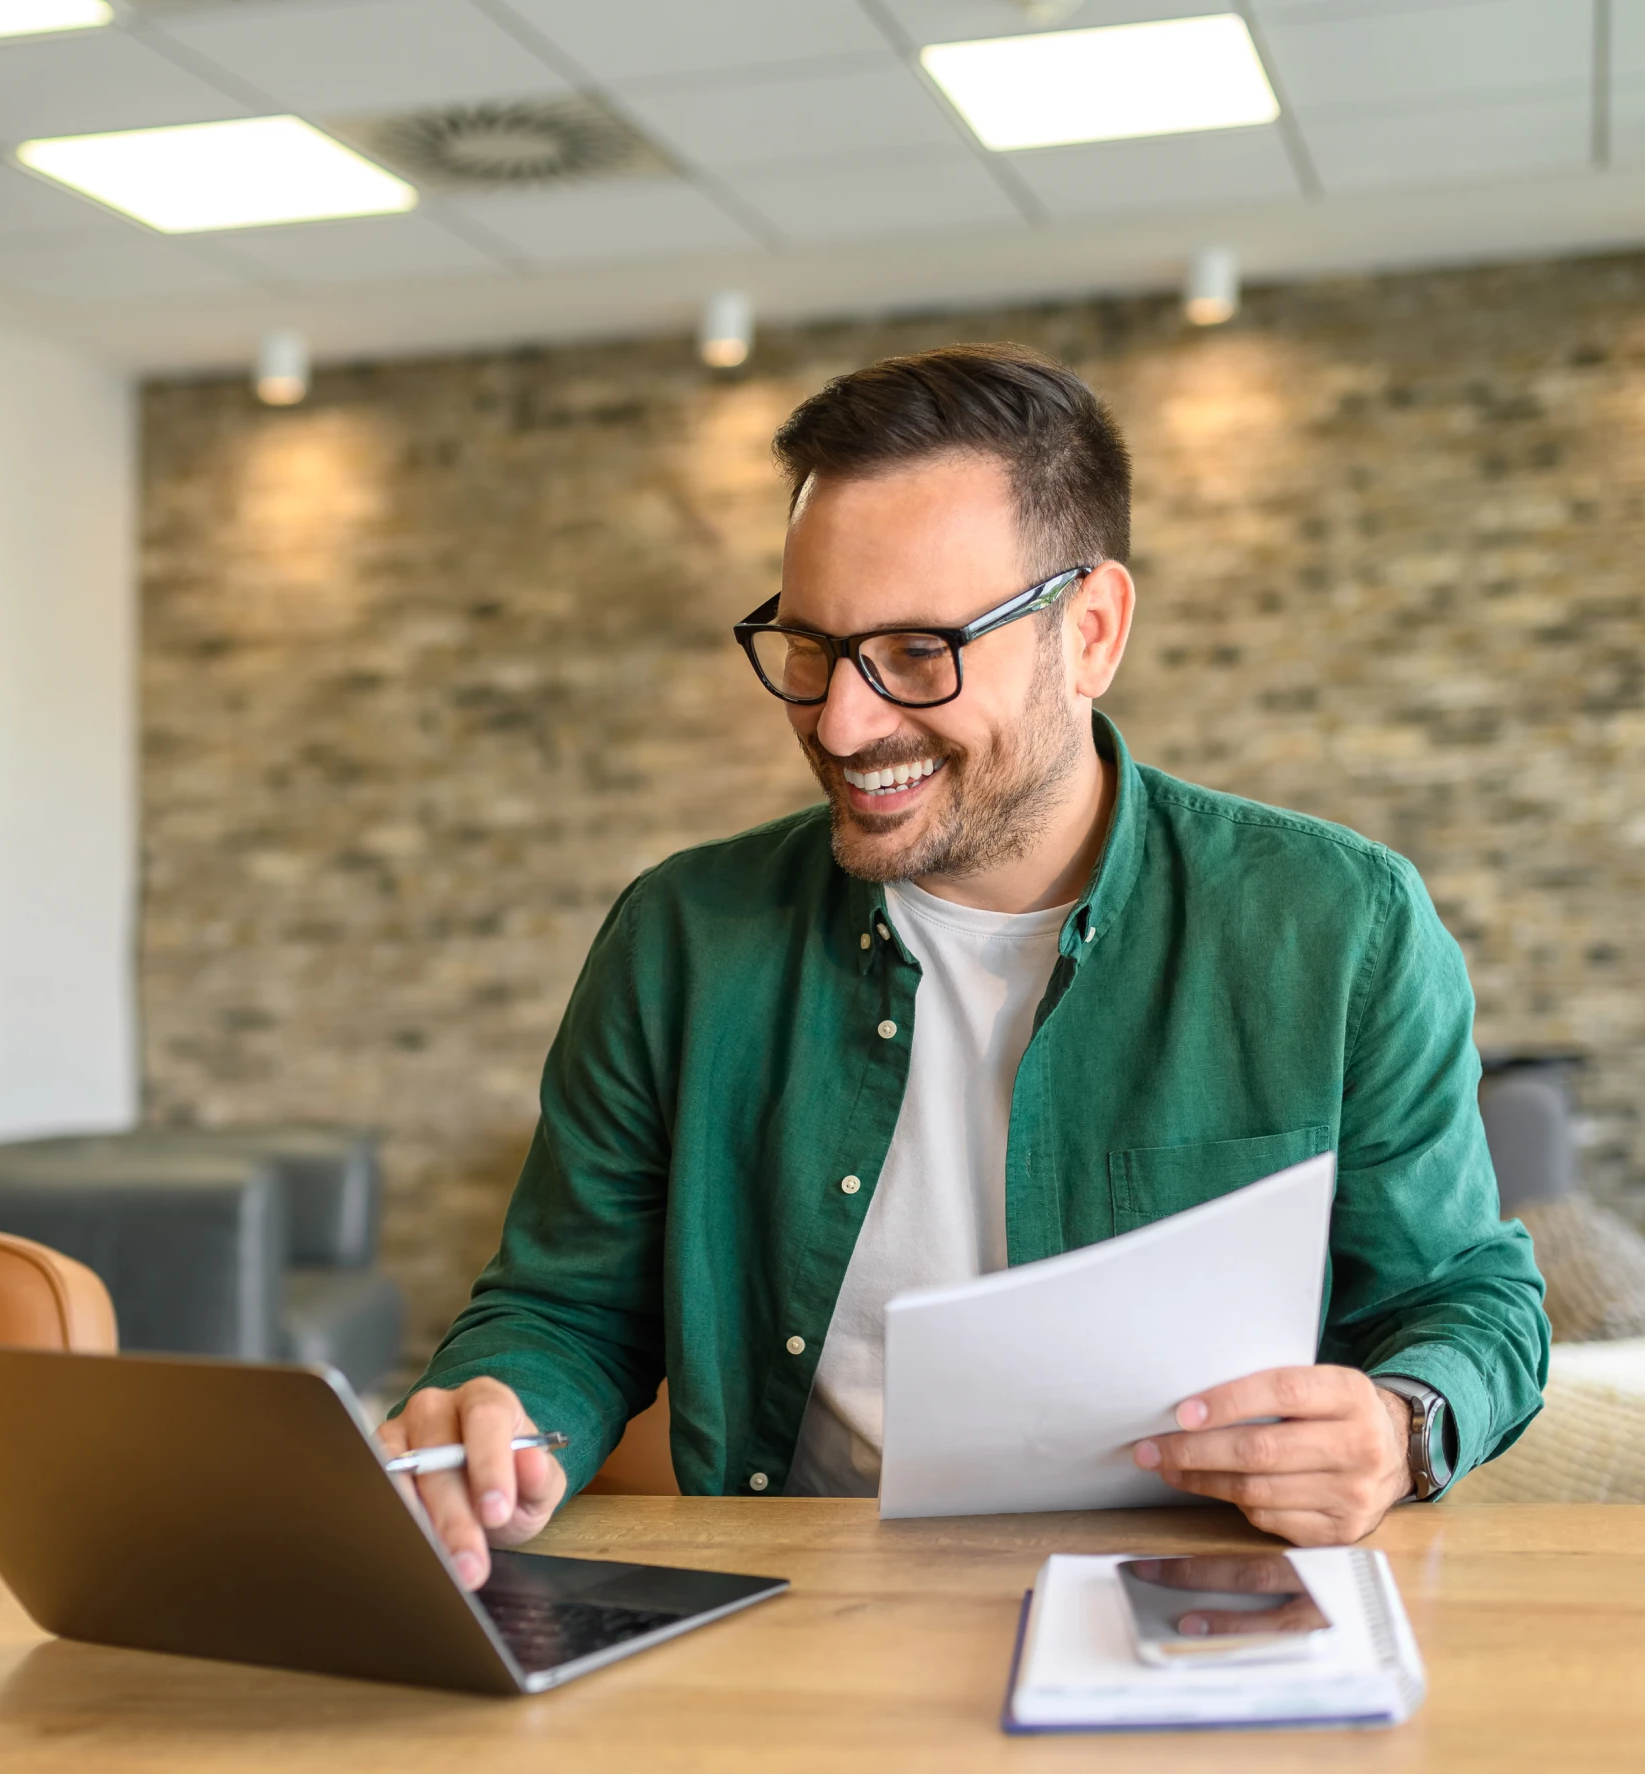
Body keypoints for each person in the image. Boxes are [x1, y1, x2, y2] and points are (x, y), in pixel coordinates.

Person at [381, 343, 1549, 1588]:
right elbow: (564, 1307)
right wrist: (493, 1412)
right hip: (794, 1620)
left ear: (1089, 631)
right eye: (813, 645)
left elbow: (1470, 1297)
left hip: (1196, 1606)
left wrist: (1400, 1423)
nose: (842, 720)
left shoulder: (1338, 925)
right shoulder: (680, 936)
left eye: (919, 652)